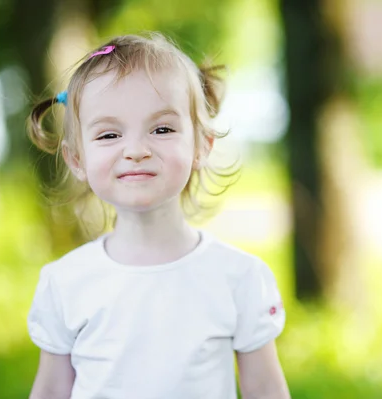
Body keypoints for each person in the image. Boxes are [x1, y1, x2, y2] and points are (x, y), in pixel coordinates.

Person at [26, 33, 290, 399]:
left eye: (162, 129)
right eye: (108, 134)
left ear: (201, 146)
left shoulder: (240, 279)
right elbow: (52, 390)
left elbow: (265, 391)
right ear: (77, 159)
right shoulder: (65, 283)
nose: (135, 150)